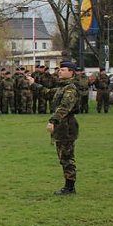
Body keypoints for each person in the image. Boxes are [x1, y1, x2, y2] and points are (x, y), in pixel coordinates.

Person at [44, 62, 80, 195]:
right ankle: (68, 186)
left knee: (67, 157)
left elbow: (64, 107)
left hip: (67, 126)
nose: (60, 71)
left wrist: (53, 121)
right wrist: (32, 84)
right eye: (59, 69)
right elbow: (47, 93)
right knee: (63, 156)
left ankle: (69, 187)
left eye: (63, 69)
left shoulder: (70, 90)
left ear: (71, 72)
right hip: (62, 125)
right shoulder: (62, 87)